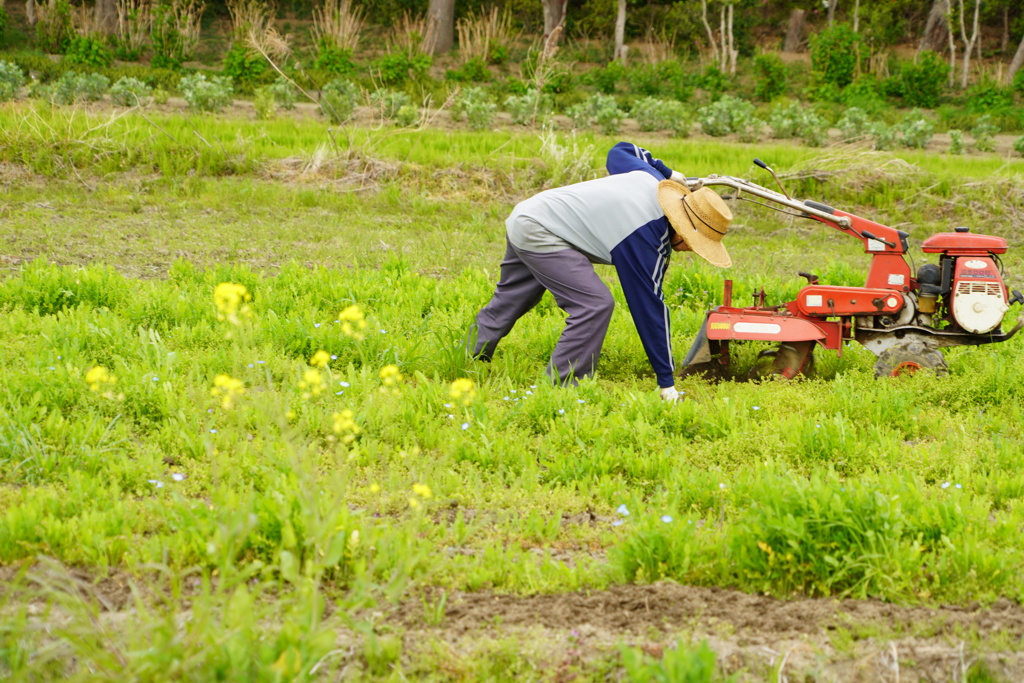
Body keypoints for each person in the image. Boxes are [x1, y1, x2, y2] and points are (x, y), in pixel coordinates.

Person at [468, 141, 733, 401]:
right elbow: (649, 308)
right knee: (594, 305)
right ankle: (562, 391)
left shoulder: (649, 177)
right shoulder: (646, 239)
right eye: (694, 243)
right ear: (684, 229)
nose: (690, 250)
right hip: (543, 230)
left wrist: (667, 172)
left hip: (530, 213)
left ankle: (466, 355)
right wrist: (666, 381)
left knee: (513, 296)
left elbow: (621, 150)